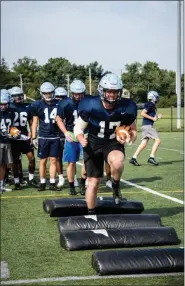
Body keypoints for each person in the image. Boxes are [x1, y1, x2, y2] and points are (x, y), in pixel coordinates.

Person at [73, 73, 137, 214]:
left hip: (112, 142)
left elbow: (134, 131)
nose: (112, 95)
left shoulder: (127, 107)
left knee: (118, 162)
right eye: (109, 91)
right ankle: (91, 213)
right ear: (102, 91)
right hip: (94, 143)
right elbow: (78, 127)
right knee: (93, 183)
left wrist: (128, 137)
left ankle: (115, 184)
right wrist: (79, 136)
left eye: (115, 92)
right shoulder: (90, 105)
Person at [56, 79, 87, 196]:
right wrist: (65, 132)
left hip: (86, 134)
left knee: (86, 161)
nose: (78, 96)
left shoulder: (88, 101)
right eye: (76, 93)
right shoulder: (65, 103)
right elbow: (58, 119)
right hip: (72, 134)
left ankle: (83, 184)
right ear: (71, 92)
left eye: (80, 93)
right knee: (71, 162)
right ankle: (71, 186)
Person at [30, 82, 61, 191]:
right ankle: (42, 182)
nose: (48, 95)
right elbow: (34, 122)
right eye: (45, 93)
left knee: (53, 160)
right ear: (42, 94)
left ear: (53, 93)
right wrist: (33, 137)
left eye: (50, 93)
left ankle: (52, 182)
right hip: (43, 136)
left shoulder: (58, 103)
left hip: (55, 136)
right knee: (43, 160)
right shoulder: (37, 104)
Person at [9, 86, 39, 189]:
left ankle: (31, 179)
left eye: (20, 95)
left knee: (32, 158)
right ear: (12, 97)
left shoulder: (28, 106)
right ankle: (17, 182)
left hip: (25, 135)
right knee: (15, 160)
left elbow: (31, 122)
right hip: (13, 137)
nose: (18, 98)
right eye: (16, 96)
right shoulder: (9, 106)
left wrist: (32, 133)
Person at [129, 90, 161, 166]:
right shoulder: (151, 104)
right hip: (148, 126)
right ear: (153, 97)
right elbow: (143, 113)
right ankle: (151, 158)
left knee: (144, 143)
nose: (157, 99)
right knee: (158, 140)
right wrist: (153, 118)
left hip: (145, 125)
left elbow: (152, 118)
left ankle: (133, 158)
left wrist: (157, 117)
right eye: (156, 97)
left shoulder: (151, 105)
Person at [0, 90, 14, 193]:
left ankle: (1, 184)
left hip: (7, 141)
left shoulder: (10, 113)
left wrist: (14, 132)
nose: (3, 106)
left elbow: (11, 127)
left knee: (4, 164)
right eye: (1, 104)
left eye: (5, 104)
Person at [54, 87, 67, 188]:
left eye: (62, 97)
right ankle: (61, 177)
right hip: (57, 136)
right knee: (58, 158)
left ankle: (74, 177)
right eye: (58, 97)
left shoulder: (69, 106)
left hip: (69, 135)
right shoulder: (52, 108)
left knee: (72, 160)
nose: (60, 99)